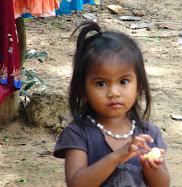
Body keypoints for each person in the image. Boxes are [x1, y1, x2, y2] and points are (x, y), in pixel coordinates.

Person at [53, 21, 170, 187]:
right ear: (83, 91)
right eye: (101, 83)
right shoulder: (78, 133)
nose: (114, 92)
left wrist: (152, 168)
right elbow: (76, 183)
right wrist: (117, 156)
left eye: (123, 81)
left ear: (138, 86)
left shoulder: (148, 133)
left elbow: (163, 184)